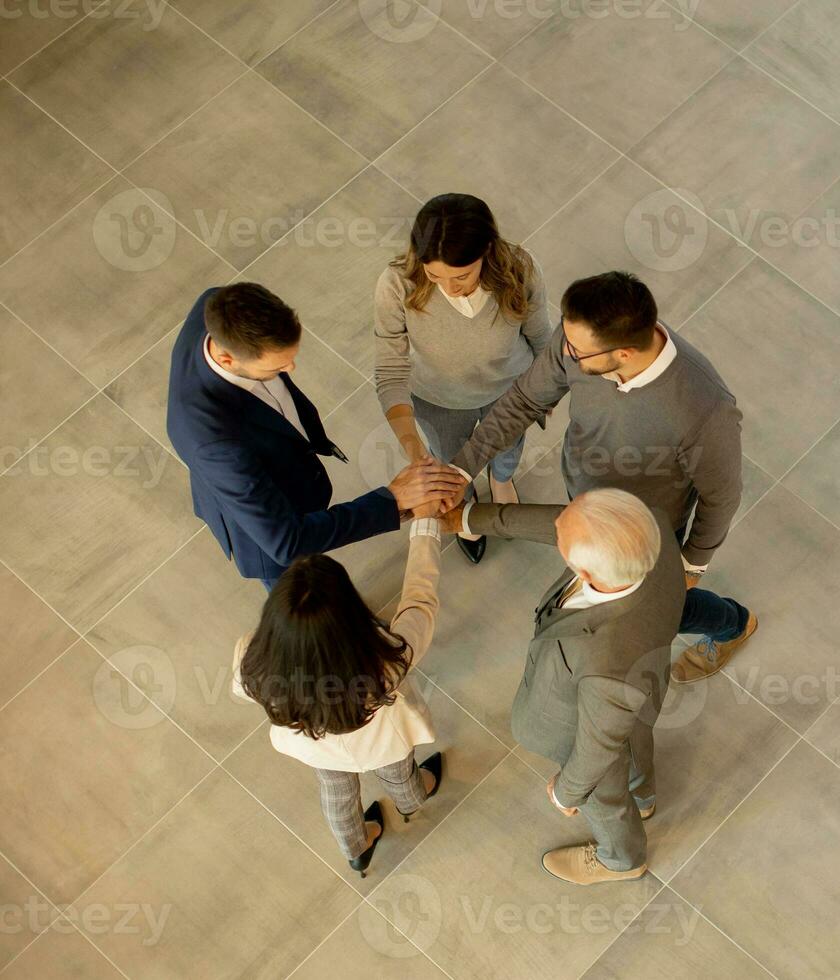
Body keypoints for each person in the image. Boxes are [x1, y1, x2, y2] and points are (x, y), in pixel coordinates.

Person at [449, 271, 757, 684]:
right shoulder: (579, 340)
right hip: (586, 497)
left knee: (662, 608)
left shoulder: (704, 409)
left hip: (642, 529)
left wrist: (691, 564)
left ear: (625, 353)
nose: (564, 351)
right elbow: (525, 400)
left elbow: (722, 496)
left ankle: (733, 625)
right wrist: (459, 469)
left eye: (576, 351)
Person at [442, 489, 683, 884]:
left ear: (586, 576)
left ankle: (621, 859)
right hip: (643, 687)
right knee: (635, 738)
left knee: (603, 795)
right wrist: (467, 518)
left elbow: (596, 749)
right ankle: (643, 793)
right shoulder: (646, 523)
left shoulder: (608, 662)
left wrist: (567, 793)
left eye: (561, 538)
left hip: (587, 723)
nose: (555, 525)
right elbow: (567, 521)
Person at [166, 283, 465, 590]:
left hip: (287, 472)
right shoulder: (214, 443)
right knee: (306, 599)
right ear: (228, 359)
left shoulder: (217, 304)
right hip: (269, 535)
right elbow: (287, 542)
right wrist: (393, 499)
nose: (291, 368)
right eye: (278, 366)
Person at [233, 518, 446, 877]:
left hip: (316, 748)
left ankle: (356, 848)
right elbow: (419, 602)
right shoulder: (385, 662)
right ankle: (411, 801)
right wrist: (425, 526)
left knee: (336, 793)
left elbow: (243, 692)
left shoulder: (251, 658)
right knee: (400, 774)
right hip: (384, 745)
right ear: (350, 614)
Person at [375, 193, 555, 565]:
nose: (449, 287)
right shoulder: (396, 284)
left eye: (462, 275)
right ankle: (467, 502)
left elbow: (541, 336)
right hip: (437, 398)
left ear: (487, 252)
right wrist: (413, 451)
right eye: (434, 274)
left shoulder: (521, 268)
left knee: (508, 449)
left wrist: (544, 394)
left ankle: (502, 481)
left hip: (510, 391)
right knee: (447, 456)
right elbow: (390, 370)